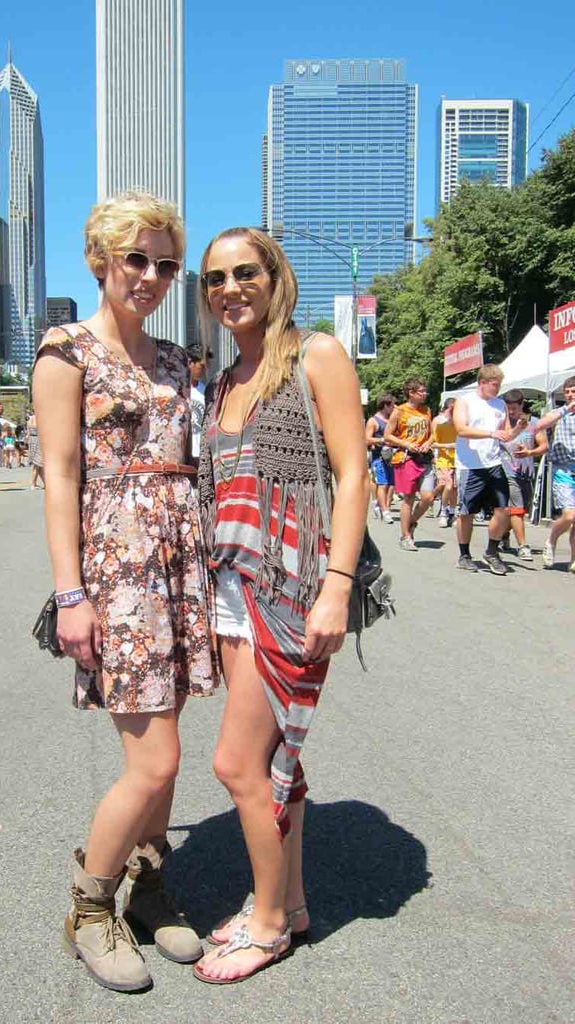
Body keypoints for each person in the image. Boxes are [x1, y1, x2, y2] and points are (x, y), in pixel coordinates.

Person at [33, 192, 216, 993]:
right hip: (118, 570)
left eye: (166, 263)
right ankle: (89, 905)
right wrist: (69, 594)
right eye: (136, 258)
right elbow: (62, 478)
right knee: (155, 760)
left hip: (180, 563)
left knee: (164, 754)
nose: (150, 275)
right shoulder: (65, 352)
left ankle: (148, 884)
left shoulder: (177, 360)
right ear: (101, 259)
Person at [192, 227, 368, 985]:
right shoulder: (224, 378)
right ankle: (289, 904)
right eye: (214, 279)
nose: (230, 287)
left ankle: (266, 926)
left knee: (236, 764)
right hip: (233, 588)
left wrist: (337, 583)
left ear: (274, 276)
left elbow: (353, 474)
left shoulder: (314, 355)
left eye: (244, 272)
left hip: (293, 590)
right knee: (271, 764)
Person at [453, 365, 525, 574]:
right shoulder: (464, 401)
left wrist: (518, 429)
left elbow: (506, 434)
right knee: (467, 512)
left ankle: (492, 551)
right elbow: (461, 429)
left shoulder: (499, 404)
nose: (498, 388)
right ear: (482, 382)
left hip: (493, 464)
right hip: (470, 465)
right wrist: (492, 434)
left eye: (499, 385)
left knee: (503, 510)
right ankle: (464, 555)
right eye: (495, 385)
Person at [384, 379, 435, 550]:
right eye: (421, 391)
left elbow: (433, 434)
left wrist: (429, 442)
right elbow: (387, 435)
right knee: (409, 498)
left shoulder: (426, 410)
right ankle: (406, 536)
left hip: (425, 457)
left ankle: (411, 522)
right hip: (407, 457)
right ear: (411, 393)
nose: (424, 393)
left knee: (428, 497)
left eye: (424, 390)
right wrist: (406, 444)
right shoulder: (399, 411)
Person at [534, 376, 575, 570]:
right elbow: (540, 426)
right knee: (569, 516)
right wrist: (566, 409)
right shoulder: (559, 413)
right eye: (567, 391)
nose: (570, 395)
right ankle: (551, 540)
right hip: (563, 468)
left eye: (573, 391)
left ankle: (574, 560)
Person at [499, 390, 545, 560]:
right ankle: (523, 546)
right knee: (517, 510)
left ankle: (503, 534)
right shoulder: (501, 423)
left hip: (527, 473)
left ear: (522, 404)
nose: (511, 412)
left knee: (520, 510)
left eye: (514, 408)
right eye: (508, 408)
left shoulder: (534, 423)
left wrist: (530, 452)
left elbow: (544, 446)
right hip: (507, 471)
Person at [365, 393, 396, 523]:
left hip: (392, 456)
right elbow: (366, 439)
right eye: (392, 406)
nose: (394, 409)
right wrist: (382, 439)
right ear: (385, 406)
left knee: (392, 485)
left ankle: (386, 506)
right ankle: (384, 510)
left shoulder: (391, 420)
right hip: (379, 457)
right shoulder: (373, 421)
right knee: (382, 484)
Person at [430, 398, 457, 528]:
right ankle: (443, 512)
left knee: (455, 487)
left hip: (458, 459)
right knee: (448, 485)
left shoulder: (459, 422)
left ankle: (452, 512)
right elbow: (432, 443)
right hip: (443, 458)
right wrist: (449, 445)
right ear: (449, 407)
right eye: (454, 408)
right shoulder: (438, 421)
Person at [187, 344, 210, 459]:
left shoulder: (205, 391)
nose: (204, 370)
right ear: (190, 363)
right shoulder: (179, 390)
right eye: (201, 366)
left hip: (201, 456)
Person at [26, 410, 44, 490]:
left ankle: (44, 483)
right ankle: (33, 483)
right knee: (37, 464)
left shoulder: (30, 419)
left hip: (32, 440)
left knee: (38, 464)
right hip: (38, 439)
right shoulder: (39, 419)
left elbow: (28, 433)